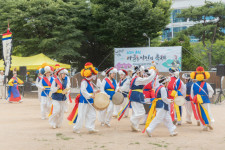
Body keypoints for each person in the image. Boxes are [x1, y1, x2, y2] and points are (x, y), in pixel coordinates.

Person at [71, 62, 100, 133]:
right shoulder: (84, 82)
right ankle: (76, 129)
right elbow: (83, 91)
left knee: (92, 115)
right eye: (93, 76)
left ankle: (90, 128)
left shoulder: (90, 82)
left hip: (90, 100)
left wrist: (95, 92)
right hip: (84, 100)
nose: (94, 78)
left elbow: (90, 91)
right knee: (81, 115)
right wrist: (90, 95)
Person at [129, 66, 156, 132]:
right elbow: (147, 80)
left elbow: (139, 88)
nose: (142, 73)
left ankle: (135, 126)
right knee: (142, 112)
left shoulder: (135, 78)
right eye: (141, 72)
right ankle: (132, 120)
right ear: (138, 72)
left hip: (136, 96)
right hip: (136, 96)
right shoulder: (137, 79)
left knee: (136, 112)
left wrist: (142, 95)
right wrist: (154, 73)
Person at [190, 66, 214, 131]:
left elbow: (192, 94)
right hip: (205, 99)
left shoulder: (193, 85)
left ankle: (204, 126)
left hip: (197, 100)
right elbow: (211, 91)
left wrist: (193, 99)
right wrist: (209, 96)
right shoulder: (207, 84)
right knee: (207, 112)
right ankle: (209, 122)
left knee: (200, 113)